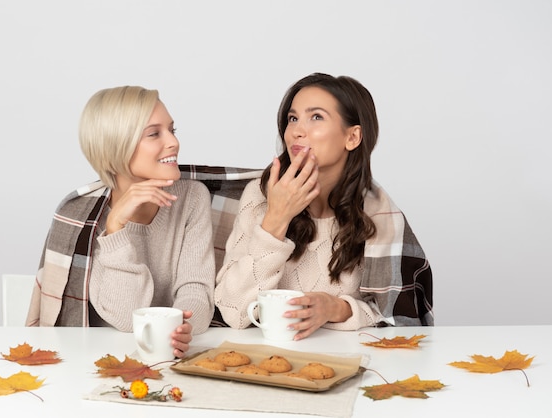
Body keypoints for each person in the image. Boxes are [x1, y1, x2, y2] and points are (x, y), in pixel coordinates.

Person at [215, 73, 433, 340]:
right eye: (292, 118)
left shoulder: (378, 214)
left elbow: (397, 320)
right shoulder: (259, 196)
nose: (296, 130)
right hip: (262, 360)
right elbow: (233, 312)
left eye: (316, 117)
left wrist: (338, 309)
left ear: (352, 137)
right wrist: (276, 219)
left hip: (346, 365)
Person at [26, 86, 216, 358]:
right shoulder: (83, 217)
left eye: (172, 130)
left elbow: (196, 289)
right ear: (116, 146)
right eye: (154, 134)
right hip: (100, 359)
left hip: (175, 356)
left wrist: (183, 326)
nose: (173, 142)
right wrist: (115, 227)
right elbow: (126, 319)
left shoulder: (191, 197)